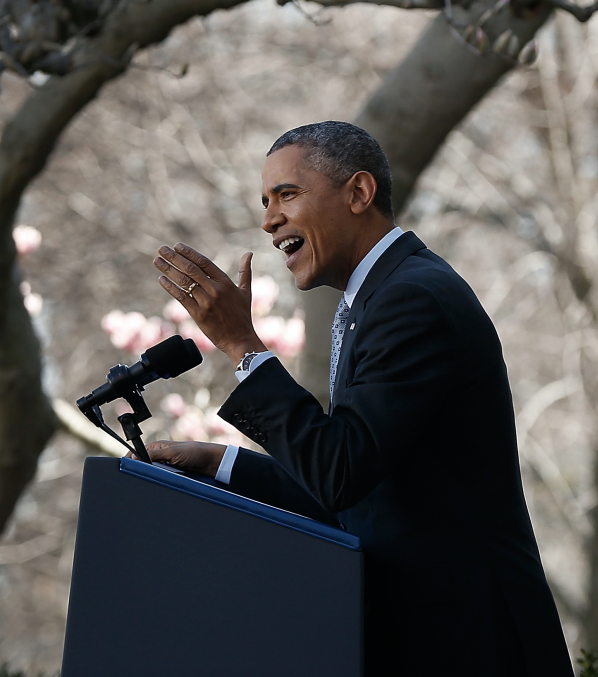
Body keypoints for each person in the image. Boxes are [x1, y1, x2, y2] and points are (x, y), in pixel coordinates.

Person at [142, 122, 573, 676]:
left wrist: (242, 345)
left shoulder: (411, 299)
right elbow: (361, 495)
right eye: (266, 201)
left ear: (359, 193)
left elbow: (341, 469)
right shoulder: (380, 297)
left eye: (288, 195)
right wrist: (219, 462)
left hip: (472, 643)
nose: (269, 218)